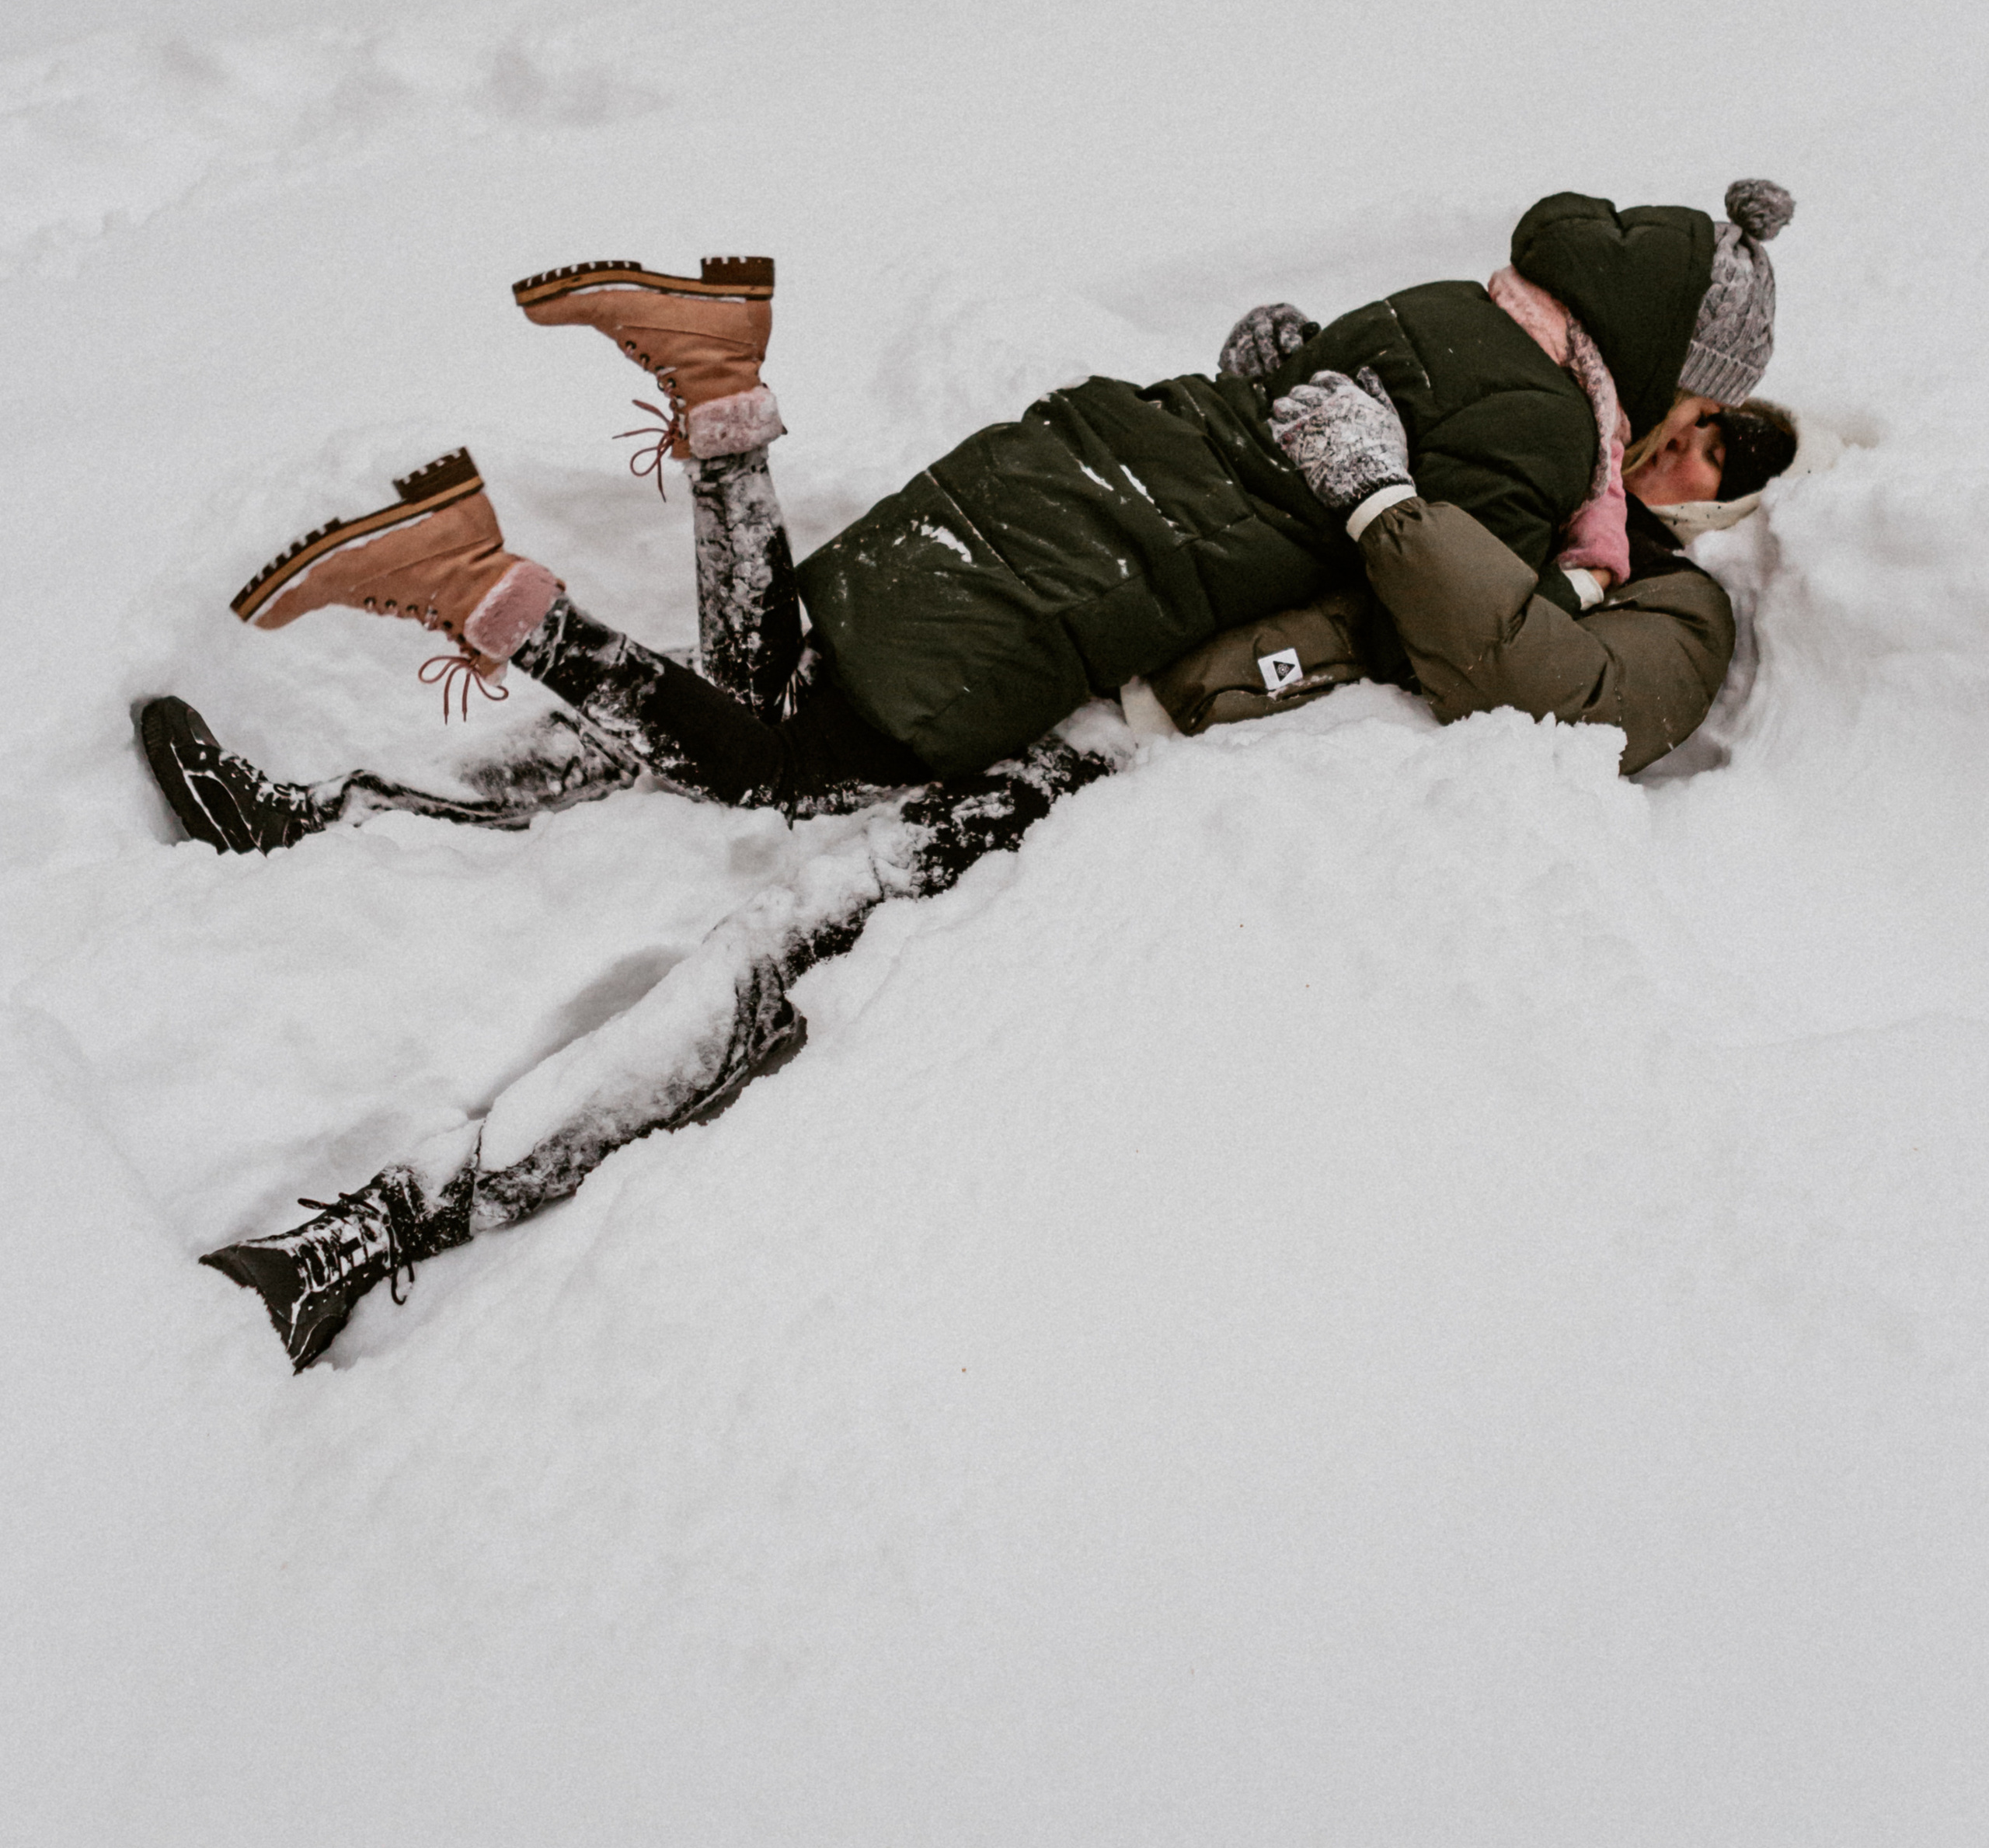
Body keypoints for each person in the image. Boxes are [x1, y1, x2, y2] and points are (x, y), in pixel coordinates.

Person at [142, 186, 1799, 1369]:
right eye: (1688, 420)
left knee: (770, 827)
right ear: (1650, 379)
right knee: (764, 811)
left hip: (1131, 719)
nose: (1688, 452)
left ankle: (385, 1158)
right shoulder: (1527, 447)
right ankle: (378, 854)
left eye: (1719, 453)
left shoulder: (1662, 582)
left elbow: (1537, 676)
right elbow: (1375, 553)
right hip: (1109, 673)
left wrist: (1487, 521)